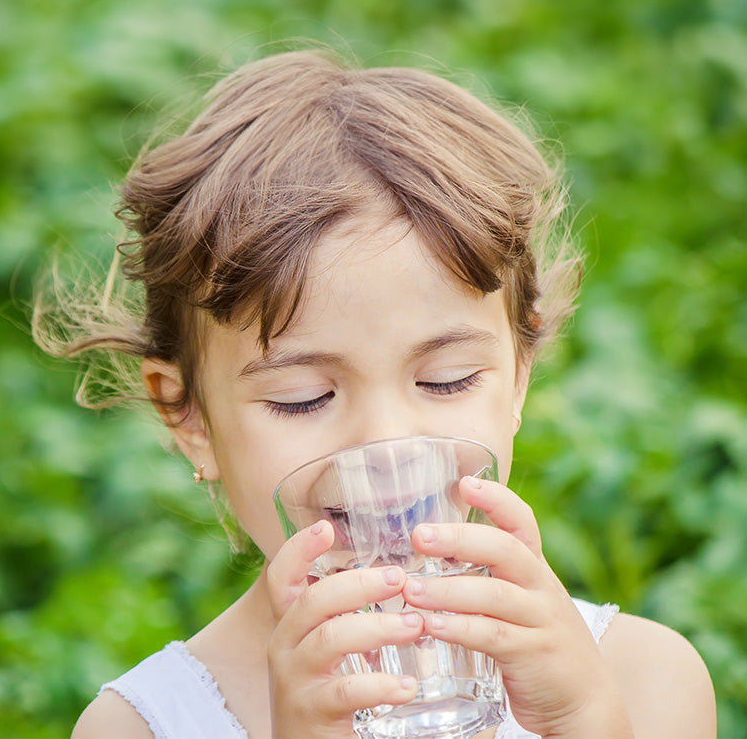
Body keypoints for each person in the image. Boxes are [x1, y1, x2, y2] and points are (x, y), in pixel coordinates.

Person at [35, 48, 716, 739]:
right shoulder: (140, 727)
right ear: (188, 417)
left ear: (518, 373)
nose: (386, 446)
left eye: (444, 380)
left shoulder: (643, 679)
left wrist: (584, 722)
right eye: (302, 397)